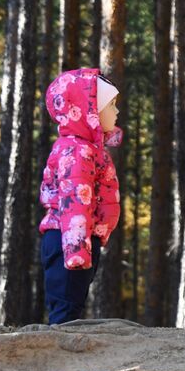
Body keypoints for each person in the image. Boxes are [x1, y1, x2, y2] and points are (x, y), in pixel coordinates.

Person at [38, 68, 122, 324]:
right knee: (65, 310)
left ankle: (64, 349)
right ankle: (60, 355)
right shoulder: (77, 151)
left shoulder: (88, 149)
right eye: (112, 105)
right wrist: (76, 251)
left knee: (72, 305)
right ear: (89, 110)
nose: (117, 112)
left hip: (81, 240)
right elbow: (74, 200)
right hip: (69, 242)